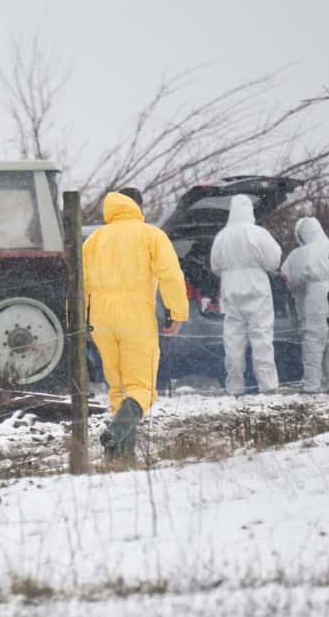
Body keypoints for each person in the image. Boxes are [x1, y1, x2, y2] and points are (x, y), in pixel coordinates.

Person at [83, 188, 188, 462]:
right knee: (142, 389)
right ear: (137, 206)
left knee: (118, 389)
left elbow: (79, 285)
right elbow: (171, 275)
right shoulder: (150, 235)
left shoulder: (93, 240)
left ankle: (120, 457)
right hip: (135, 318)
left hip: (101, 321)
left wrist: (79, 320)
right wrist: (177, 312)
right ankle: (116, 432)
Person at [210, 194, 282, 395]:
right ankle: (268, 386)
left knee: (233, 340)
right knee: (261, 337)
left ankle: (235, 386)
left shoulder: (222, 236)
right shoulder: (257, 233)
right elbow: (273, 260)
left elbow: (215, 266)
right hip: (256, 287)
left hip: (230, 288)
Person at [281, 217, 329, 393]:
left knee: (313, 338)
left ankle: (311, 384)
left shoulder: (302, 253)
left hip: (315, 294)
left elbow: (290, 280)